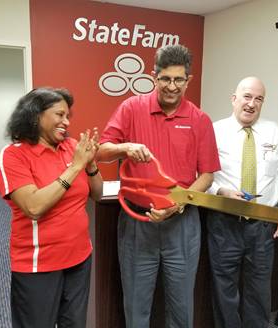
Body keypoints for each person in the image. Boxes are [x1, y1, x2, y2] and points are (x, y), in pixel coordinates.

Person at [97, 44, 220, 328]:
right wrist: (126, 147)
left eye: (179, 79)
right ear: (154, 77)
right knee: (136, 306)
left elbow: (207, 175)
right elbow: (101, 151)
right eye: (165, 78)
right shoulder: (131, 108)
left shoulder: (199, 119)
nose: (172, 86)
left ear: (188, 80)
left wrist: (179, 203)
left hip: (182, 221)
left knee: (181, 307)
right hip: (138, 223)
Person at [0, 87, 103, 328]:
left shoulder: (70, 146)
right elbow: (34, 206)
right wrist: (75, 168)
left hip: (79, 257)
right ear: (35, 116)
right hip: (38, 264)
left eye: (68, 116)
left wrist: (91, 165)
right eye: (59, 115)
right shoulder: (12, 156)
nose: (66, 122)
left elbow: (98, 193)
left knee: (74, 323)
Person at [206, 76, 278, 328]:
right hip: (224, 222)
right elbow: (200, 173)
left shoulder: (274, 131)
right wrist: (220, 190)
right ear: (234, 99)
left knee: (259, 293)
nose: (251, 104)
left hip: (261, 226)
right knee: (224, 291)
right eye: (247, 96)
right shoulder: (214, 130)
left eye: (258, 99)